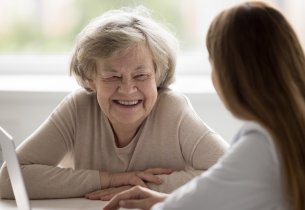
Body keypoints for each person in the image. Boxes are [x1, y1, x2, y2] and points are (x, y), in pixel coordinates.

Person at [0, 6, 229, 200]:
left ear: (157, 76)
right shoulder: (78, 109)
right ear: (92, 80)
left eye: (141, 76)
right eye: (112, 76)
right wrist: (109, 179)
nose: (128, 89)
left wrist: (140, 188)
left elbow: (235, 173)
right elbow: (8, 179)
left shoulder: (172, 109)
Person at [103, 2, 305, 210]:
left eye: (213, 63)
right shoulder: (287, 133)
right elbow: (231, 196)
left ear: (231, 74)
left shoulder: (262, 145)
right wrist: (167, 199)